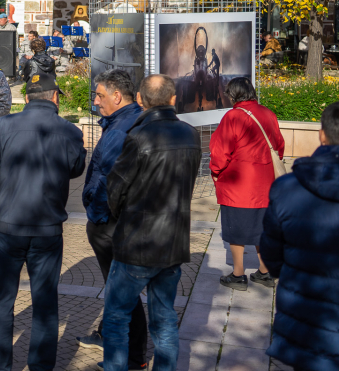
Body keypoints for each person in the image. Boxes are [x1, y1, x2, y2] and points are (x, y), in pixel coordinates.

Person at [0, 72, 86, 371]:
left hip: (7, 227)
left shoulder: (3, 125)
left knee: (1, 301)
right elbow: (76, 169)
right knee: (45, 304)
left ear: (26, 98)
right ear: (55, 97)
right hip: (47, 229)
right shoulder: (70, 131)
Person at [102, 75, 201, 371]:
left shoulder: (138, 136)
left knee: (117, 317)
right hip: (172, 240)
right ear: (173, 100)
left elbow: (115, 188)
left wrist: (123, 216)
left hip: (137, 243)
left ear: (141, 101)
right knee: (165, 318)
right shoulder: (190, 134)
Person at [261, 101, 339, 371]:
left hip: (305, 317)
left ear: (322, 134)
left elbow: (271, 252)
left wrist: (295, 271)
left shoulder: (287, 188)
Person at [76, 70, 147, 366]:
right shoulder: (133, 119)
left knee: (122, 293)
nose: (95, 101)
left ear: (117, 96)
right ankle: (114, 337)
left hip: (112, 223)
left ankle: (132, 356)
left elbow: (108, 180)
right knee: (120, 290)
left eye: (100, 95)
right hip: (125, 220)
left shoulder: (120, 130)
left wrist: (95, 210)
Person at [209, 77, 284, 290]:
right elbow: (279, 145)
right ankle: (265, 271)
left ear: (233, 95)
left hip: (238, 184)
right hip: (266, 182)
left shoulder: (232, 116)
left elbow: (220, 151)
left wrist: (215, 172)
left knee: (236, 228)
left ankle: (238, 274)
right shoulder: (268, 113)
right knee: (263, 226)